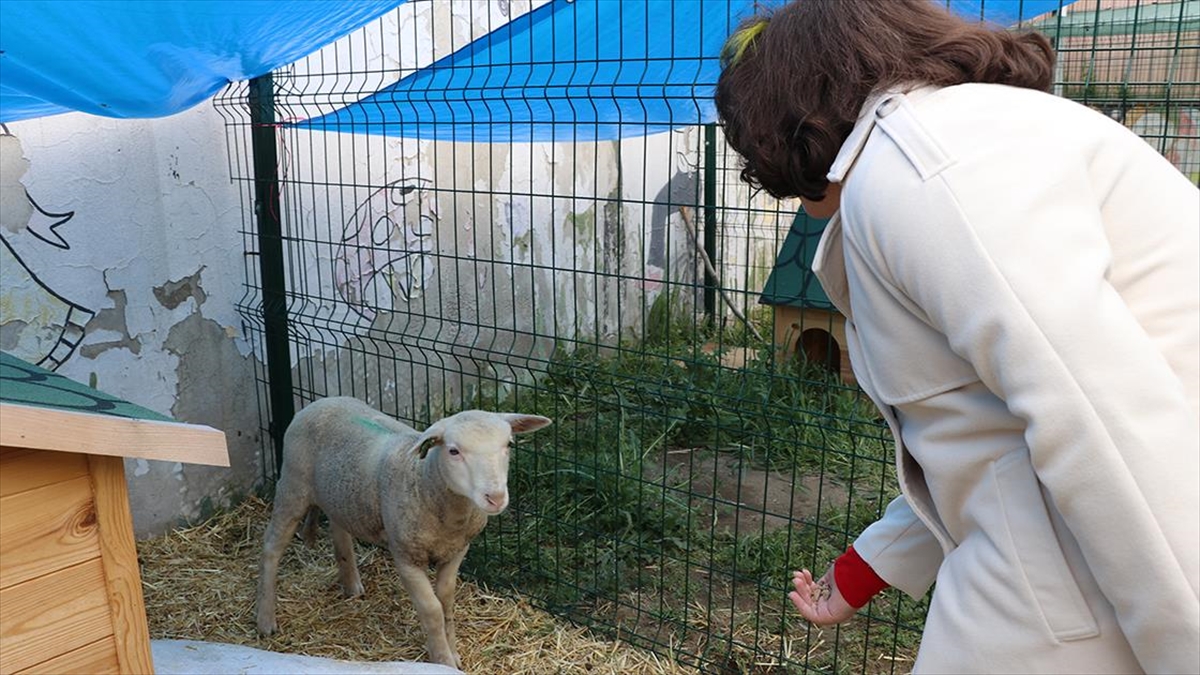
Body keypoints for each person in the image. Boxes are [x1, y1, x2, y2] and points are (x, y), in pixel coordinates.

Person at [714, 1, 1199, 673]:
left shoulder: (924, 175)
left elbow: (1103, 424)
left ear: (791, 123)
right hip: (1081, 547)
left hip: (1126, 560)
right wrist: (865, 568)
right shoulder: (948, 152)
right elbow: (980, 428)